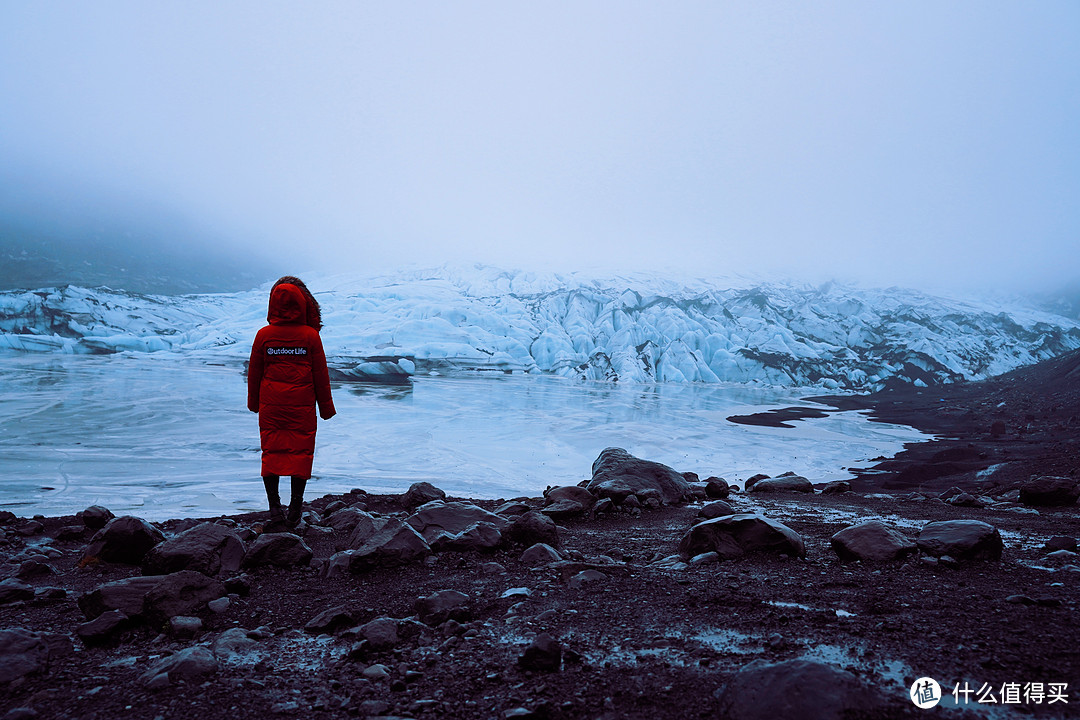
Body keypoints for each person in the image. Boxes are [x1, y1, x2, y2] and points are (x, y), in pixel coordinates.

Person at [247, 278, 335, 530]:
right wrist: (326, 408)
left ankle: (275, 510)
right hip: (302, 406)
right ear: (301, 304)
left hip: (271, 406)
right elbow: (321, 375)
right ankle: (295, 509)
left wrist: (254, 403)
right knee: (301, 452)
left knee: (271, 453)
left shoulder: (263, 336)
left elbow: (255, 373)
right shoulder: (310, 336)